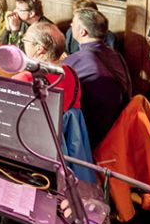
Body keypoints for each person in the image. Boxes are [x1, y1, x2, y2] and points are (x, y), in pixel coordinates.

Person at [64, 8, 131, 147]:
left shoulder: (77, 59)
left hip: (89, 135)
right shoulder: (116, 55)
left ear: (83, 32)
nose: (71, 25)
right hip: (118, 127)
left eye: (73, 23)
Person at [12, 22, 81, 113]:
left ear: (39, 49)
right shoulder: (70, 71)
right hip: (66, 126)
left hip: (37, 126)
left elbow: (5, 108)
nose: (23, 43)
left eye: (25, 40)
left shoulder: (26, 78)